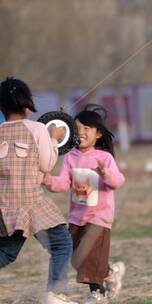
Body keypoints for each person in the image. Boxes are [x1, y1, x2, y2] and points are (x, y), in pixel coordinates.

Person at [0, 77, 76, 304]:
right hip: (32, 202)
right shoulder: (39, 129)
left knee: (6, 253)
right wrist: (54, 139)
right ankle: (55, 294)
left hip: (4, 205)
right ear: (28, 103)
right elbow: (47, 164)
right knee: (62, 244)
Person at [43, 104, 126, 303]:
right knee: (74, 258)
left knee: (90, 256)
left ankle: (98, 294)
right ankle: (110, 272)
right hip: (76, 217)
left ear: (98, 134)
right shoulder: (71, 156)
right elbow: (63, 183)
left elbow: (118, 181)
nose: (81, 133)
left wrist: (106, 173)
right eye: (78, 129)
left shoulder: (104, 157)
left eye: (87, 129)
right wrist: (45, 179)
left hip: (99, 217)